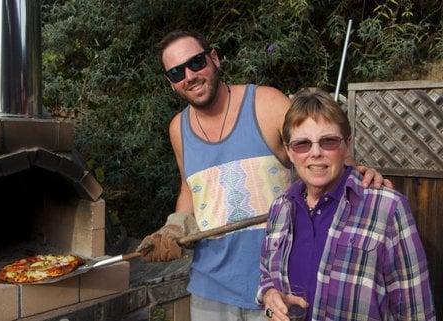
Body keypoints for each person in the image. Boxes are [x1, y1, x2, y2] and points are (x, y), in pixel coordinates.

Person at [137, 30, 391, 321]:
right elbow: (189, 188)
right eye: (176, 71)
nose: (189, 75)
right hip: (210, 292)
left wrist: (355, 171)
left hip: (280, 286)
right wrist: (175, 227)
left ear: (214, 59)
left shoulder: (265, 103)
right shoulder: (177, 129)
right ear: (171, 83)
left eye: (196, 63)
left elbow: (317, 148)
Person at [257, 88, 435, 321]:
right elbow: (266, 276)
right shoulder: (280, 209)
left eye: (328, 141)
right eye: (303, 144)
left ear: (347, 145)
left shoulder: (387, 209)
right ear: (290, 151)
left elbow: (416, 310)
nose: (316, 153)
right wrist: (269, 297)